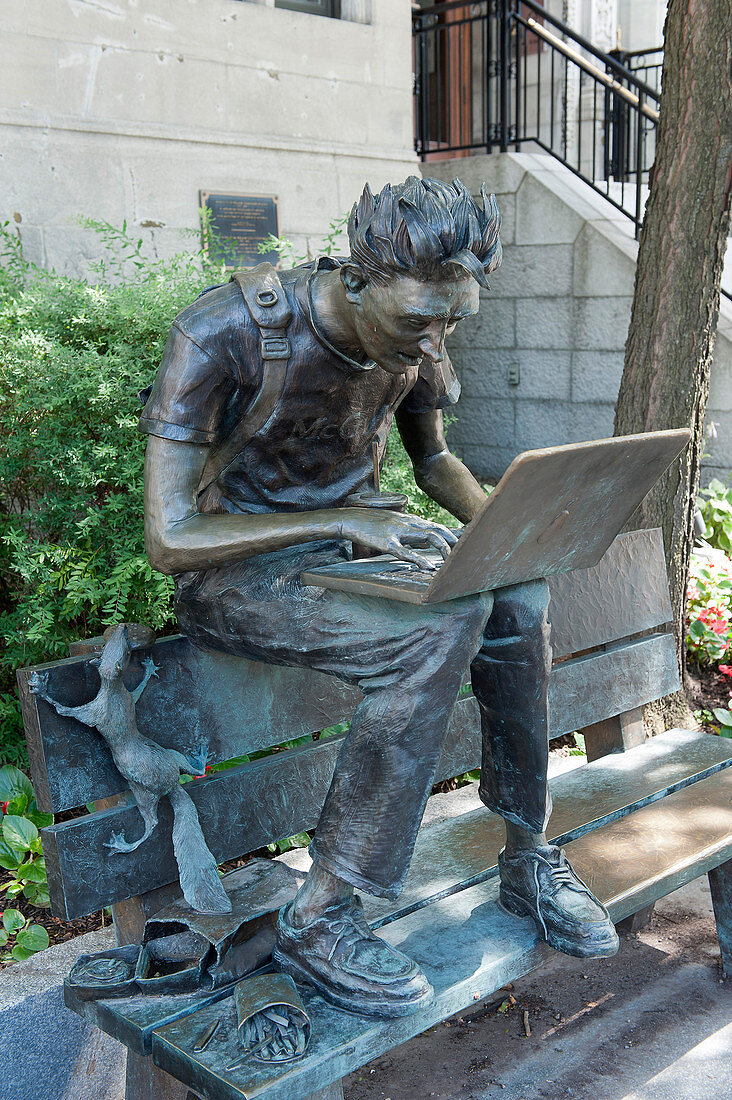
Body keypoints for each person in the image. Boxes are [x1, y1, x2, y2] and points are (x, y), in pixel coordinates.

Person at [139, 176, 619, 1019]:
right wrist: (343, 519)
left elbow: (432, 461)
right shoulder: (223, 332)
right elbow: (170, 539)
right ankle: (320, 916)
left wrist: (506, 532)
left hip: (359, 549)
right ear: (354, 282)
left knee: (517, 598)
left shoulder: (416, 332)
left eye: (453, 323)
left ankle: (527, 854)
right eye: (419, 325)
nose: (435, 346)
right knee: (437, 629)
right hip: (235, 574)